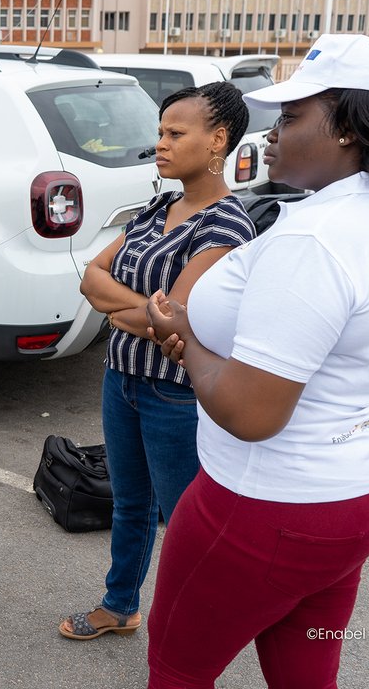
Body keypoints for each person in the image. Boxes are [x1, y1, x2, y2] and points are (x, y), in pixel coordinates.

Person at [143, 34, 369, 688]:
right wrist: (208, 344)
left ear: (349, 128)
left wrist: (190, 343)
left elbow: (253, 415)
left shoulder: (317, 240)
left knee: (177, 669)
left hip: (273, 505)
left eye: (291, 117)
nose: (272, 134)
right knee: (306, 669)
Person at [59, 83, 256, 641]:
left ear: (217, 140)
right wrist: (147, 313)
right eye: (160, 133)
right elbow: (91, 280)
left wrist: (135, 311)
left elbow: (175, 323)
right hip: (121, 378)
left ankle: (195, 627)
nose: (161, 145)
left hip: (175, 394)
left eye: (175, 133)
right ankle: (120, 605)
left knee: (187, 523)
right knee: (129, 505)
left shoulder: (228, 226)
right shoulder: (158, 206)